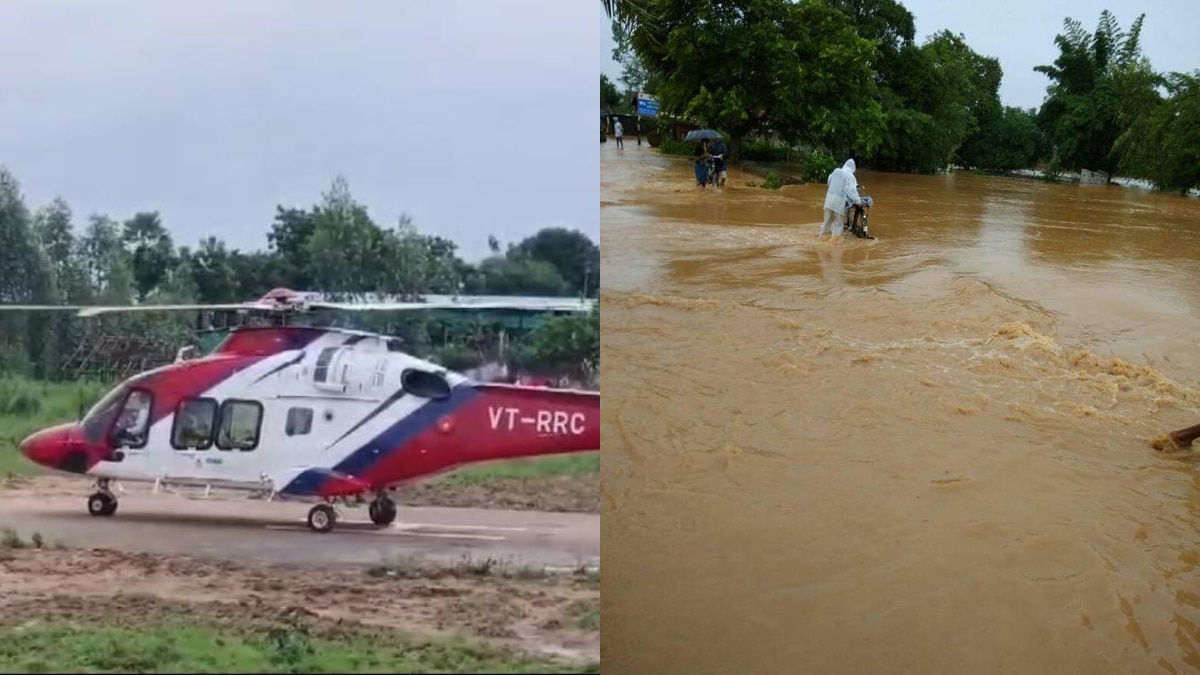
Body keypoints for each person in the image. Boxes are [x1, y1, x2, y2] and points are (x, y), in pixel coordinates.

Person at [819, 158, 862, 238]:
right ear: (853, 168)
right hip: (838, 202)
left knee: (827, 221)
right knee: (838, 224)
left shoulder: (836, 171)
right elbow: (851, 191)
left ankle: (820, 236)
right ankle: (834, 242)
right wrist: (858, 201)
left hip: (829, 200)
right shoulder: (851, 176)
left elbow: (829, 181)